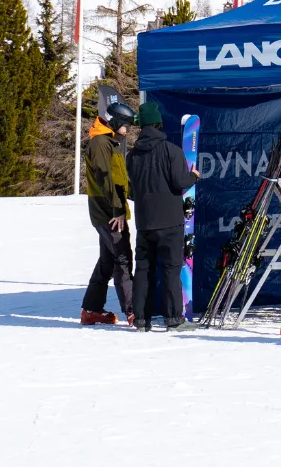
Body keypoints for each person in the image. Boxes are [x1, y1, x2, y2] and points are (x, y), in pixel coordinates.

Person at [125, 101, 199, 332]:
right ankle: (174, 319)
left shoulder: (132, 156)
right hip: (170, 221)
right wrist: (194, 175)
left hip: (145, 222)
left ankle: (140, 320)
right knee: (170, 269)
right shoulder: (172, 151)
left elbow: (132, 191)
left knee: (144, 270)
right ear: (159, 123)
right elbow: (180, 182)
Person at [81, 119, 134, 326]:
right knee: (122, 257)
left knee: (108, 261)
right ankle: (132, 311)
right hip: (109, 212)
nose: (127, 128)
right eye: (125, 123)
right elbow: (105, 179)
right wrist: (117, 209)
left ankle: (91, 309)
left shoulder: (109, 142)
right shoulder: (100, 143)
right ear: (116, 122)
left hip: (109, 210)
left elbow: (120, 181)